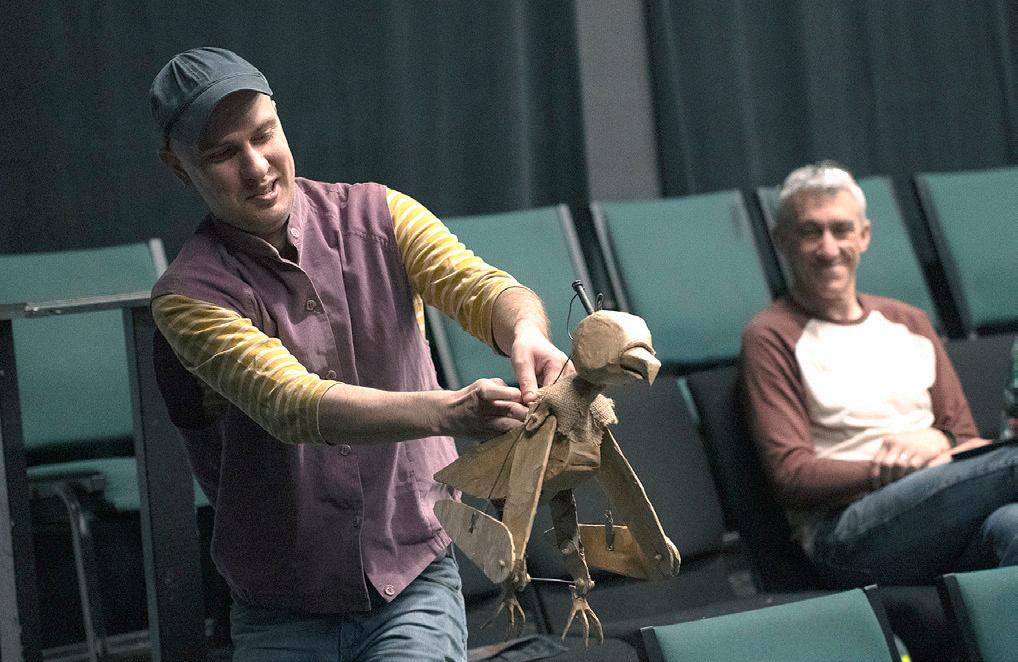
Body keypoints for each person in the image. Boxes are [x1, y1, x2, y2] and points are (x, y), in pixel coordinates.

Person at [148, 47, 570, 661]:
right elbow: (293, 404)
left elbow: (481, 287)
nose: (256, 166)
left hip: (413, 578)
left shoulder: (380, 213)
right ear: (178, 167)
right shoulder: (187, 296)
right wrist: (451, 412)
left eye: (264, 136)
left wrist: (527, 331)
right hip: (281, 607)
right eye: (222, 154)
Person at [740, 161, 1018, 588]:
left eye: (841, 230)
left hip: (944, 507)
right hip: (847, 532)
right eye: (811, 232)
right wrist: (890, 467)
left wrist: (939, 440)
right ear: (782, 241)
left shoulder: (909, 321)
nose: (828, 248)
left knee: (1013, 526)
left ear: (864, 235)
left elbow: (962, 437)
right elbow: (791, 476)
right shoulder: (770, 335)